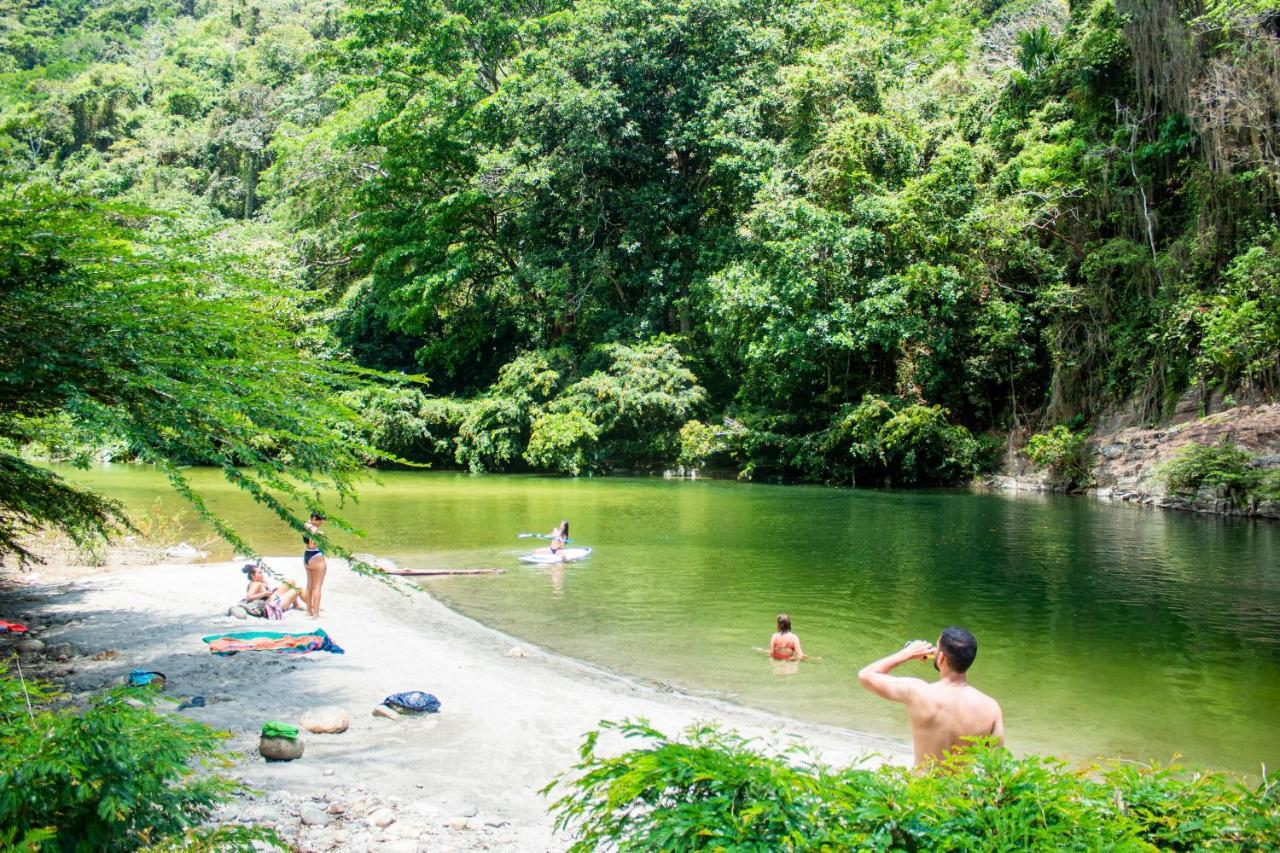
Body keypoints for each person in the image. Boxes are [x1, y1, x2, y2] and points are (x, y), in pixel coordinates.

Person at [857, 627, 1004, 768]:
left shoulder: (917, 692)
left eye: (936, 647)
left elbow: (866, 675)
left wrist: (907, 653)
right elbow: (996, 766)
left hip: (921, 791)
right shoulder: (991, 707)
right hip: (959, 792)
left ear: (940, 657)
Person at [302, 512, 328, 618]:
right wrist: (319, 533)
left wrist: (312, 526)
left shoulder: (305, 526)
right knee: (317, 587)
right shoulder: (315, 530)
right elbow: (314, 533)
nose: (320, 523)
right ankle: (316, 613)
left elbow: (306, 525)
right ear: (313, 518)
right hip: (316, 556)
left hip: (307, 556)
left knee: (310, 585)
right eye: (319, 521)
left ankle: (308, 610)